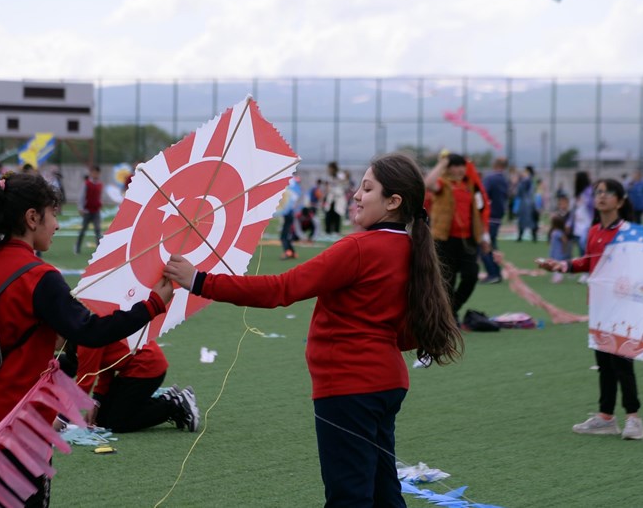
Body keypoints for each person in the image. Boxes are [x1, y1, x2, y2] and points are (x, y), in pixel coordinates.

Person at [163, 152, 462, 507]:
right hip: (387, 384)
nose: (356, 195)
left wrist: (199, 281)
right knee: (384, 494)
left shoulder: (358, 248)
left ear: (393, 202)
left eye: (367, 189)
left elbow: (282, 289)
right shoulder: (411, 249)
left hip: (349, 389)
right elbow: (407, 332)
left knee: (348, 497)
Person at [0, 172, 174, 506]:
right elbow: (91, 332)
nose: (56, 224)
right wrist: (153, 305)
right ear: (32, 217)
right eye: (53, 214)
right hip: (20, 419)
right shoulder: (40, 277)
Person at [536, 179, 643, 440]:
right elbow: (587, 262)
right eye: (598, 192)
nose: (602, 196)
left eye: (608, 193)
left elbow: (639, 269)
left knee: (622, 362)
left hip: (622, 307)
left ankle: (634, 418)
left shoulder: (629, 232)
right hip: (599, 304)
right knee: (604, 363)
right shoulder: (594, 231)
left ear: (620, 201)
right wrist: (561, 265)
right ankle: (606, 417)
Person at [74, 340, 200, 433]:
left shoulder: (85, 342)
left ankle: (176, 405)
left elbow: (84, 382)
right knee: (101, 418)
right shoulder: (86, 332)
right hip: (136, 367)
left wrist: (60, 420)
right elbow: (106, 367)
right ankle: (166, 399)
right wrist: (97, 402)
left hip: (146, 367)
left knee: (117, 423)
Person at [424, 153, 490, 319]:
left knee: (471, 275)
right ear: (448, 168)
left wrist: (484, 237)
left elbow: (480, 211)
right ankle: (448, 316)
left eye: (462, 165)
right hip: (444, 240)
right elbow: (427, 183)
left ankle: (452, 309)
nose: (460, 169)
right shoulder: (442, 184)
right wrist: (442, 163)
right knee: (447, 280)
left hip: (468, 240)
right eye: (455, 165)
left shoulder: (470, 185)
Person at [481, 157, 509, 283]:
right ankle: (496, 272)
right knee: (493, 244)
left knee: (484, 245)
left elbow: (481, 194)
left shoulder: (490, 178)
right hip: (498, 216)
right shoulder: (504, 179)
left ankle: (493, 273)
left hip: (489, 216)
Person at [75, 165, 103, 255]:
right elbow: (82, 196)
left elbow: (99, 196)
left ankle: (100, 250)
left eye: (97, 173)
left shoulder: (100, 184)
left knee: (98, 230)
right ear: (91, 173)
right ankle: (77, 247)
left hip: (96, 211)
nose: (95, 174)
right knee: (83, 230)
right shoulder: (87, 184)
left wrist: (100, 203)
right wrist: (80, 208)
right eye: (94, 172)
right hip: (87, 211)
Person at [277, 176, 303, 260]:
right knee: (287, 235)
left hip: (288, 215)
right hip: (290, 215)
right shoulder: (296, 192)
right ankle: (293, 253)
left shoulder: (291, 193)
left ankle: (288, 252)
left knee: (284, 236)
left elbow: (287, 206)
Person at [322, 162, 348, 237]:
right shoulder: (329, 177)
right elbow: (328, 186)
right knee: (328, 214)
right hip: (331, 197)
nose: (329, 170)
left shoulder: (340, 175)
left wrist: (338, 180)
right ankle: (328, 231)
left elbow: (344, 182)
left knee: (337, 214)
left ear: (333, 168)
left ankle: (336, 231)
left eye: (330, 168)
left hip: (338, 198)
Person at [571, 171, 594, 257]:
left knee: (586, 252)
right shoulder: (578, 194)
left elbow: (592, 208)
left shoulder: (589, 192)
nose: (574, 181)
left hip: (587, 226)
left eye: (575, 179)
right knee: (581, 253)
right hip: (577, 228)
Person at [515, 166, 538, 242]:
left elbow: (520, 191)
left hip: (526, 203)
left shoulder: (527, 180)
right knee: (531, 220)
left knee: (525, 220)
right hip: (530, 202)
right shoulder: (529, 180)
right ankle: (532, 236)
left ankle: (522, 236)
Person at [547, 213, 570, 283]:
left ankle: (558, 278)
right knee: (554, 264)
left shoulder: (558, 232)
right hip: (554, 251)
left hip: (558, 251)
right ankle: (556, 277)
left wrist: (564, 249)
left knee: (557, 264)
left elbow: (565, 240)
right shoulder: (554, 232)